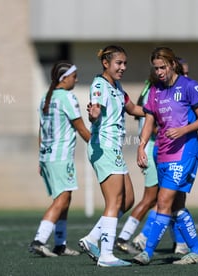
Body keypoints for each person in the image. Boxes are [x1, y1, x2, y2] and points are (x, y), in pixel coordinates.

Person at [116, 65, 198, 256]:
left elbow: (195, 120)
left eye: (162, 67)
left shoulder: (188, 88)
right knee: (163, 201)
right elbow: (149, 120)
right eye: (157, 67)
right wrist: (141, 146)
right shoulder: (154, 90)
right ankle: (192, 249)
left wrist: (189, 138)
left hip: (179, 152)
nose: (186, 75)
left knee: (164, 200)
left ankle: (147, 249)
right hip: (157, 150)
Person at [77, 45, 144, 267]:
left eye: (125, 63)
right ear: (106, 63)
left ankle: (92, 239)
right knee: (114, 201)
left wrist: (159, 111)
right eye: (119, 63)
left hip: (114, 150)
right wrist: (94, 114)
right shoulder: (100, 84)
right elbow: (95, 109)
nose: (123, 67)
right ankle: (106, 255)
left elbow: (133, 108)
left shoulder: (117, 86)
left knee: (128, 200)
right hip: (103, 147)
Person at [29, 61, 91, 257]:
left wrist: (40, 158)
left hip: (48, 156)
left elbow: (41, 130)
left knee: (65, 199)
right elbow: (81, 127)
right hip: (60, 157)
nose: (77, 79)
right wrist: (99, 145)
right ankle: (39, 240)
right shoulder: (67, 97)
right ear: (64, 78)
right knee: (62, 199)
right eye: (74, 76)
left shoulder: (45, 98)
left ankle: (60, 244)